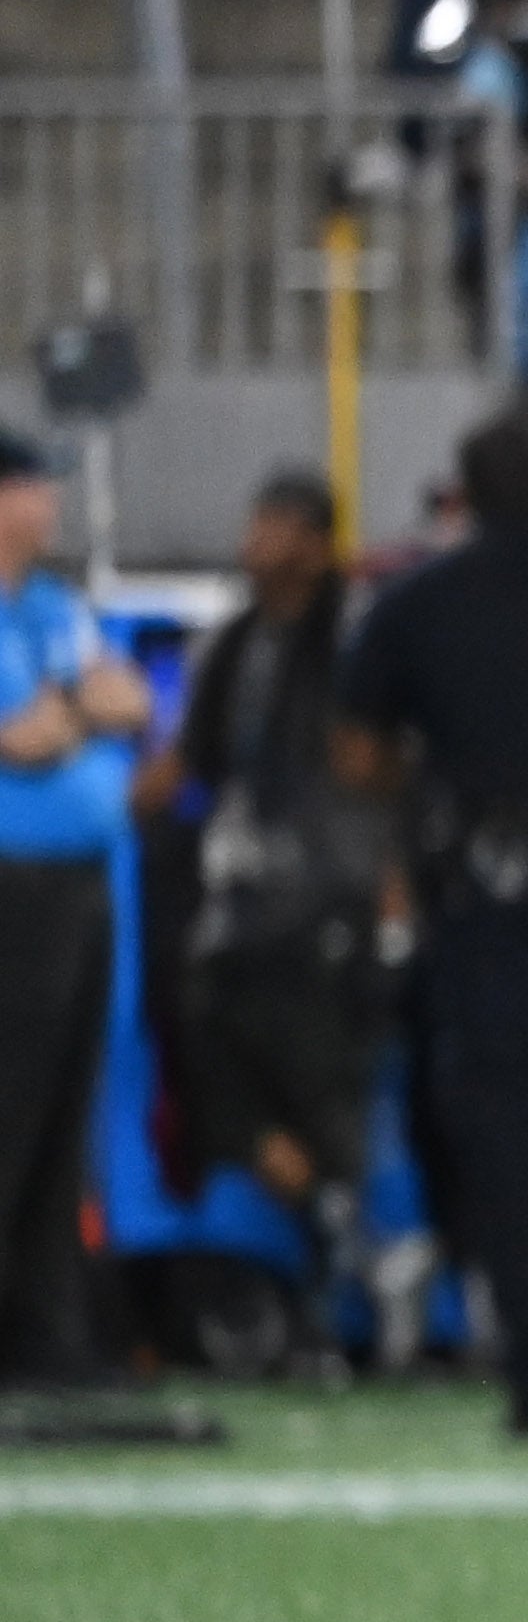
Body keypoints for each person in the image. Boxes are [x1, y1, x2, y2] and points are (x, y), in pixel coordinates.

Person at [339, 413, 528, 1440]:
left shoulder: (420, 596)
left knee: (511, 1144)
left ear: (463, 495)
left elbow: (356, 750)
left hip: (487, 883)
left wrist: (433, 777)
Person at [137, 470, 386, 1353]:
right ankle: (313, 1221)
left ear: (316, 542)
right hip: (239, 904)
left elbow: (378, 760)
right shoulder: (232, 643)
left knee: (323, 1085)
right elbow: (195, 760)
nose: (254, 542)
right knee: (211, 1061)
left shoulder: (355, 634)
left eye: (274, 525)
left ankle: (352, 1285)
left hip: (330, 900)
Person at [0, 426, 148, 1382]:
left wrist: (73, 710)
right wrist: (76, 710)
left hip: (80, 885)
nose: (49, 503)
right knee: (12, 1103)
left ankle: (48, 1332)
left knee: (65, 1110)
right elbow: (27, 738)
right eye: (31, 486)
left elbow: (127, 701)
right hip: (12, 888)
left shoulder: (52, 607)